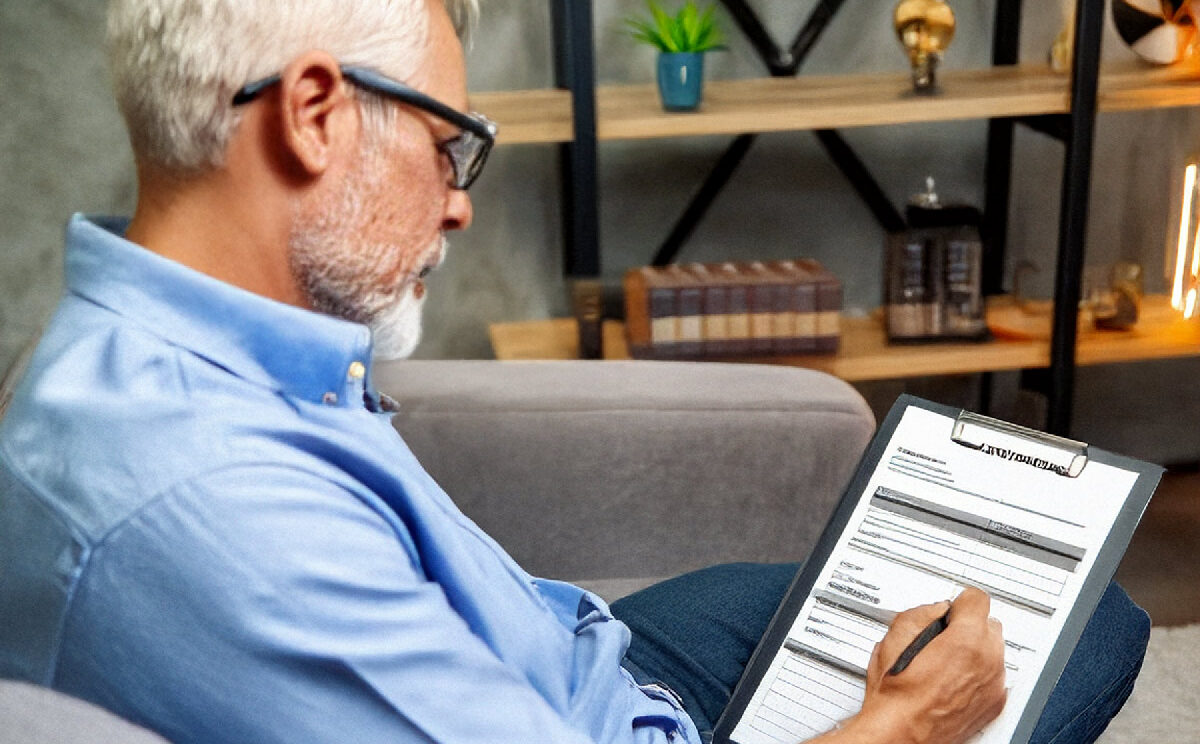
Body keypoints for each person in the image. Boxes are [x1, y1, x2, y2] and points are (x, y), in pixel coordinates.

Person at [0, 1, 1149, 742]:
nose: (457, 200)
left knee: (917, 590)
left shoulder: (149, 351)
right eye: (449, 146)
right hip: (608, 713)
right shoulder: (213, 511)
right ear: (313, 115)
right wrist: (901, 728)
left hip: (576, 652)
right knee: (1093, 627)